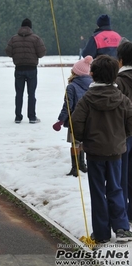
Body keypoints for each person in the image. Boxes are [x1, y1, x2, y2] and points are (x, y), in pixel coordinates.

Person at [71, 55, 132, 243]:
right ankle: (122, 227)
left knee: (98, 191)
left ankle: (102, 232)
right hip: (116, 151)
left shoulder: (87, 99)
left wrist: (81, 139)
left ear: (92, 74)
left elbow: (76, 123)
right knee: (116, 188)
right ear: (115, 75)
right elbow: (130, 122)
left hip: (95, 153)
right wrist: (122, 137)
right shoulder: (122, 99)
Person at [52, 56, 93, 177]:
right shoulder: (92, 85)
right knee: (81, 143)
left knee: (74, 143)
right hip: (88, 120)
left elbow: (68, 106)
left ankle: (75, 168)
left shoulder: (71, 87)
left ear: (75, 72)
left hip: (75, 120)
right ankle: (83, 165)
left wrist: (60, 120)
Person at [5, 18, 46, 124]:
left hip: (19, 69)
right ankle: (32, 117)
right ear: (30, 27)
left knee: (19, 94)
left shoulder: (14, 39)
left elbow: (8, 52)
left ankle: (18, 117)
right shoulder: (36, 38)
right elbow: (41, 53)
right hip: (32, 69)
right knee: (31, 94)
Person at [116, 41, 132, 225]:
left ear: (120, 60)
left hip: (123, 134)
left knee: (122, 176)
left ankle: (122, 216)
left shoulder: (118, 82)